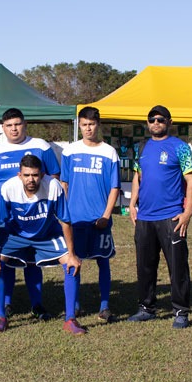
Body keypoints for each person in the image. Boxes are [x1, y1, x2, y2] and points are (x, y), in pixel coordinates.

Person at [0, 154, 84, 335]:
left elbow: (65, 221)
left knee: (72, 265)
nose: (31, 179)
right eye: (27, 175)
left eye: (35, 175)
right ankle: (1, 317)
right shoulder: (7, 188)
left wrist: (72, 253)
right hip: (15, 234)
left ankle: (70, 319)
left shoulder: (53, 187)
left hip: (47, 234)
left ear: (42, 174)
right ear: (19, 175)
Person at [0, 107, 61, 320]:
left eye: (17, 124)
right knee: (3, 259)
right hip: (5, 217)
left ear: (25, 125)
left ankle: (37, 304)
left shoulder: (40, 146)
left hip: (35, 215)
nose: (14, 129)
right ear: (3, 128)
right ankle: (6, 304)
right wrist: (6, 199)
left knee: (32, 260)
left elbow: (53, 175)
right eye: (9, 125)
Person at [127, 105, 192, 328]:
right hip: (145, 217)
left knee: (177, 266)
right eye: (151, 120)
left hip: (171, 217)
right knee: (145, 265)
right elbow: (138, 176)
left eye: (160, 119)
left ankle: (181, 312)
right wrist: (132, 203)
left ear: (169, 122)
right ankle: (146, 308)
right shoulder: (143, 146)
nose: (155, 123)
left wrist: (187, 213)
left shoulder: (181, 147)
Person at [60, 106, 120, 321]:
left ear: (98, 125)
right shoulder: (69, 151)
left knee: (102, 261)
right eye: (84, 124)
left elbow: (115, 188)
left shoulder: (109, 152)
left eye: (91, 124)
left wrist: (105, 215)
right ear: (79, 126)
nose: (88, 128)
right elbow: (64, 183)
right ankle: (74, 306)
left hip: (99, 220)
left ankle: (104, 306)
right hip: (74, 220)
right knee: (73, 261)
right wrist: (63, 214)